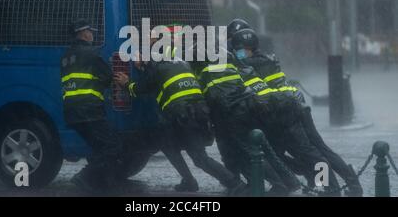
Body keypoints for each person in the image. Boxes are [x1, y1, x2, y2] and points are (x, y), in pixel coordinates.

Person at [231, 26, 363, 196]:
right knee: (281, 153)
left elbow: (246, 70)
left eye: (239, 51)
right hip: (291, 108)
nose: (237, 54)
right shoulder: (265, 58)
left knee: (314, 152)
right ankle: (332, 181)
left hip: (290, 112)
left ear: (249, 48)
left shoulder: (255, 63)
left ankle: (331, 188)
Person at [114, 28, 246, 195]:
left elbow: (139, 89)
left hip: (183, 116)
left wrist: (126, 83)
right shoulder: (181, 62)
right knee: (170, 145)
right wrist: (146, 66)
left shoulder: (157, 68)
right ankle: (190, 181)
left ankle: (236, 185)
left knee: (198, 157)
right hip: (197, 113)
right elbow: (160, 76)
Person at [188, 44, 301, 195]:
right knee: (264, 150)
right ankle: (290, 181)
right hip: (247, 107)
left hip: (233, 114)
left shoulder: (206, 74)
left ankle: (279, 185)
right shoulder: (227, 66)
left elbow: (216, 99)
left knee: (248, 151)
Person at [61, 19, 122, 193]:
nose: (92, 34)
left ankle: (104, 184)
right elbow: (110, 77)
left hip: (72, 113)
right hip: (90, 111)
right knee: (113, 145)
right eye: (90, 31)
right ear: (83, 33)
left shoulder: (66, 57)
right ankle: (85, 176)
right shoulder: (92, 54)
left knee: (99, 147)